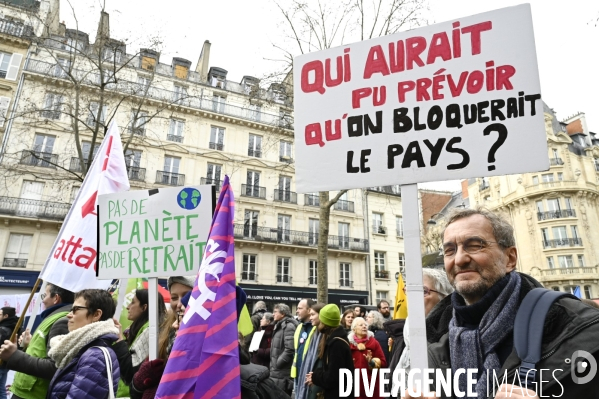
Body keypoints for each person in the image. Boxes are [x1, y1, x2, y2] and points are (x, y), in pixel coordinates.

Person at [407, 207, 599, 398]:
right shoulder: (429, 338)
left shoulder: (578, 325)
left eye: (474, 245)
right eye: (450, 250)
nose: (459, 259)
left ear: (510, 258)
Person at [0, 283, 74, 399]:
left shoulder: (62, 321)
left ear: (56, 298)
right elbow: (44, 351)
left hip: (33, 394)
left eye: (44, 295)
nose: (43, 300)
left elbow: (55, 367)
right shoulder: (53, 317)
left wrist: (14, 355)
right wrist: (28, 345)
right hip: (26, 391)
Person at [46, 289, 120, 398]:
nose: (69, 315)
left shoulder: (94, 357)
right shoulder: (82, 349)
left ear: (96, 314)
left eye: (76, 309)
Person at [397, 267, 453, 379]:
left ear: (444, 298)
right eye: (409, 291)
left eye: (423, 291)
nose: (412, 297)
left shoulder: (453, 335)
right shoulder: (405, 334)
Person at [113, 289, 166, 397]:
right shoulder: (144, 327)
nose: (128, 307)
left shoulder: (151, 330)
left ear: (144, 307)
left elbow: (130, 370)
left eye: (132, 302)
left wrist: (119, 340)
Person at [305, 304, 354, 399]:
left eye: (321, 320)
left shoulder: (336, 344)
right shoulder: (335, 339)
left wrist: (315, 376)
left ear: (326, 323)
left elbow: (333, 377)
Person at [348, 317, 387, 399]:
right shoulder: (349, 344)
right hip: (354, 385)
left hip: (372, 385)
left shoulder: (374, 343)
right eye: (361, 325)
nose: (364, 326)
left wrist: (372, 362)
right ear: (354, 329)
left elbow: (383, 362)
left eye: (365, 324)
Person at [296, 303, 324, 399]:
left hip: (317, 379)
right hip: (309, 375)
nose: (310, 317)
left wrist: (316, 377)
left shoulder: (324, 335)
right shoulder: (315, 332)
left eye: (313, 314)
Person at [270, 303, 298, 395]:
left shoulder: (288, 326)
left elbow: (290, 349)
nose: (273, 314)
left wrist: (278, 363)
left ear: (283, 314)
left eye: (275, 312)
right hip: (277, 372)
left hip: (282, 372)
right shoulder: (279, 325)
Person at [291, 298, 315, 392]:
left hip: (309, 376)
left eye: (300, 308)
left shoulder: (316, 328)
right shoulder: (299, 327)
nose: (297, 311)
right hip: (298, 374)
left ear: (309, 310)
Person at [0, 307, 18, 399]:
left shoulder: (2, 329)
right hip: (6, 364)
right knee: (1, 389)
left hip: (1, 362)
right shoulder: (14, 327)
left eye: (0, 314)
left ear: (6, 316)